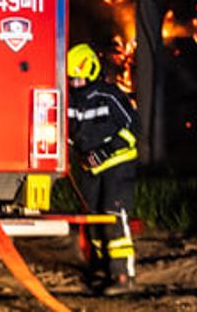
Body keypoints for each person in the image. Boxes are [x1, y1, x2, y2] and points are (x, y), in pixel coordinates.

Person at [65, 43, 137, 296]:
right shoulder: (70, 101)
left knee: (112, 216)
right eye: (72, 79)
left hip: (118, 164)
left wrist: (104, 152)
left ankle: (122, 276)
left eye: (80, 79)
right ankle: (101, 270)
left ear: (93, 72)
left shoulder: (110, 96)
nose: (76, 84)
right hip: (91, 168)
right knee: (93, 219)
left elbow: (132, 130)